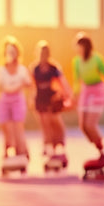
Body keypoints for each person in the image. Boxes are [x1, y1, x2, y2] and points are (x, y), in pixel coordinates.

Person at [72, 32, 104, 173]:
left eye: (79, 46)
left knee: (90, 125)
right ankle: (98, 147)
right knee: (83, 126)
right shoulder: (77, 61)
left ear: (85, 46)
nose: (76, 49)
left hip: (97, 90)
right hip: (86, 91)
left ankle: (102, 152)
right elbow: (77, 81)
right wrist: (74, 97)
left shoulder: (97, 59)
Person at [30, 40, 72, 168]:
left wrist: (67, 96)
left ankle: (59, 147)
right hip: (40, 99)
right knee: (45, 124)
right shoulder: (34, 68)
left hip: (52, 98)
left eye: (45, 53)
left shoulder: (54, 67)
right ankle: (49, 149)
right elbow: (32, 85)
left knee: (56, 123)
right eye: (41, 53)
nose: (43, 55)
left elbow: (62, 82)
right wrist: (31, 99)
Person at [0, 36, 32, 167]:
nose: (10, 53)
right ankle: (7, 152)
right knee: (7, 128)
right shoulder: (1, 69)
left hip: (18, 101)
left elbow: (29, 84)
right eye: (8, 51)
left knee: (18, 128)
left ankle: (21, 152)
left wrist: (24, 89)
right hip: (5, 100)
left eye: (13, 51)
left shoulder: (22, 69)